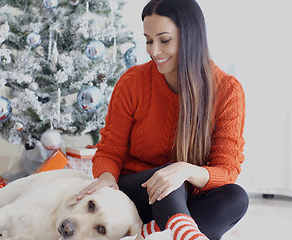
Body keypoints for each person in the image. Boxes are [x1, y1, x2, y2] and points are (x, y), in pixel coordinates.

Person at [77, 0, 249, 239]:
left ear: (191, 37)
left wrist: (184, 170)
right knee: (168, 178)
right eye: (148, 40)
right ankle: (183, 234)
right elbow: (109, 151)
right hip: (134, 194)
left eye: (164, 40)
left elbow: (227, 169)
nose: (153, 51)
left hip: (184, 200)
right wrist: (106, 177)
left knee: (236, 198)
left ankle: (153, 233)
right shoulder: (133, 82)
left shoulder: (227, 91)